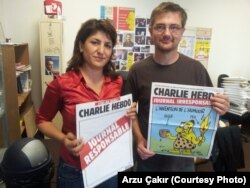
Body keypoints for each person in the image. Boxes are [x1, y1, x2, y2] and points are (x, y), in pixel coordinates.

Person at [123, 2, 230, 172]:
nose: (167, 33)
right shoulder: (137, 70)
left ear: (182, 32)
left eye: (174, 27)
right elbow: (128, 112)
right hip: (147, 161)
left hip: (184, 163)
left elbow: (211, 111)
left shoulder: (197, 69)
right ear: (150, 30)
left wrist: (221, 107)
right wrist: (138, 139)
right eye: (160, 27)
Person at [36, 19, 137, 188]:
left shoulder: (118, 82)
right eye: (95, 43)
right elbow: (42, 119)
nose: (101, 51)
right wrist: (63, 139)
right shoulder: (62, 84)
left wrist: (129, 113)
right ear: (81, 46)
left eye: (107, 45)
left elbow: (121, 119)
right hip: (75, 169)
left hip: (109, 166)